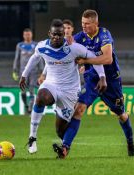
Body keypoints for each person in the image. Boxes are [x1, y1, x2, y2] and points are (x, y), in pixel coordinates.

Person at [53, 9, 134, 158]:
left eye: (87, 24)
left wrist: (85, 61)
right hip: (92, 79)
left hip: (111, 81)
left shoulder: (104, 35)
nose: (84, 26)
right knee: (79, 109)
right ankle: (65, 148)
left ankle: (130, 141)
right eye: (82, 23)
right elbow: (65, 47)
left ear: (96, 23)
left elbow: (107, 59)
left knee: (121, 115)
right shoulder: (80, 37)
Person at [19, 19, 106, 154]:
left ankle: (65, 146)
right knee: (41, 97)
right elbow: (35, 58)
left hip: (70, 91)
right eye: (54, 34)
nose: (57, 37)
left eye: (60, 34)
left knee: (60, 131)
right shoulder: (42, 46)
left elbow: (94, 57)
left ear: (64, 34)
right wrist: (24, 75)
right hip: (51, 84)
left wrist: (102, 77)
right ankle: (32, 137)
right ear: (49, 33)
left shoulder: (74, 48)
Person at [37, 19, 83, 85]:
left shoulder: (78, 43)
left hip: (76, 77)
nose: (66, 30)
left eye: (68, 28)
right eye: (64, 28)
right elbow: (50, 61)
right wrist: (43, 74)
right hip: (58, 78)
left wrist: (85, 65)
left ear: (72, 29)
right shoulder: (56, 44)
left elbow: (88, 55)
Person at [13, 28, 43, 114]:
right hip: (22, 72)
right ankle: (26, 105)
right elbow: (17, 58)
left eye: (28, 34)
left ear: (31, 35)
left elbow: (39, 58)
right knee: (23, 91)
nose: (27, 36)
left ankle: (30, 109)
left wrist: (41, 71)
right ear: (23, 35)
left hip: (34, 72)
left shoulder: (36, 45)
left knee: (31, 90)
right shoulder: (19, 45)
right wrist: (15, 70)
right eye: (25, 34)